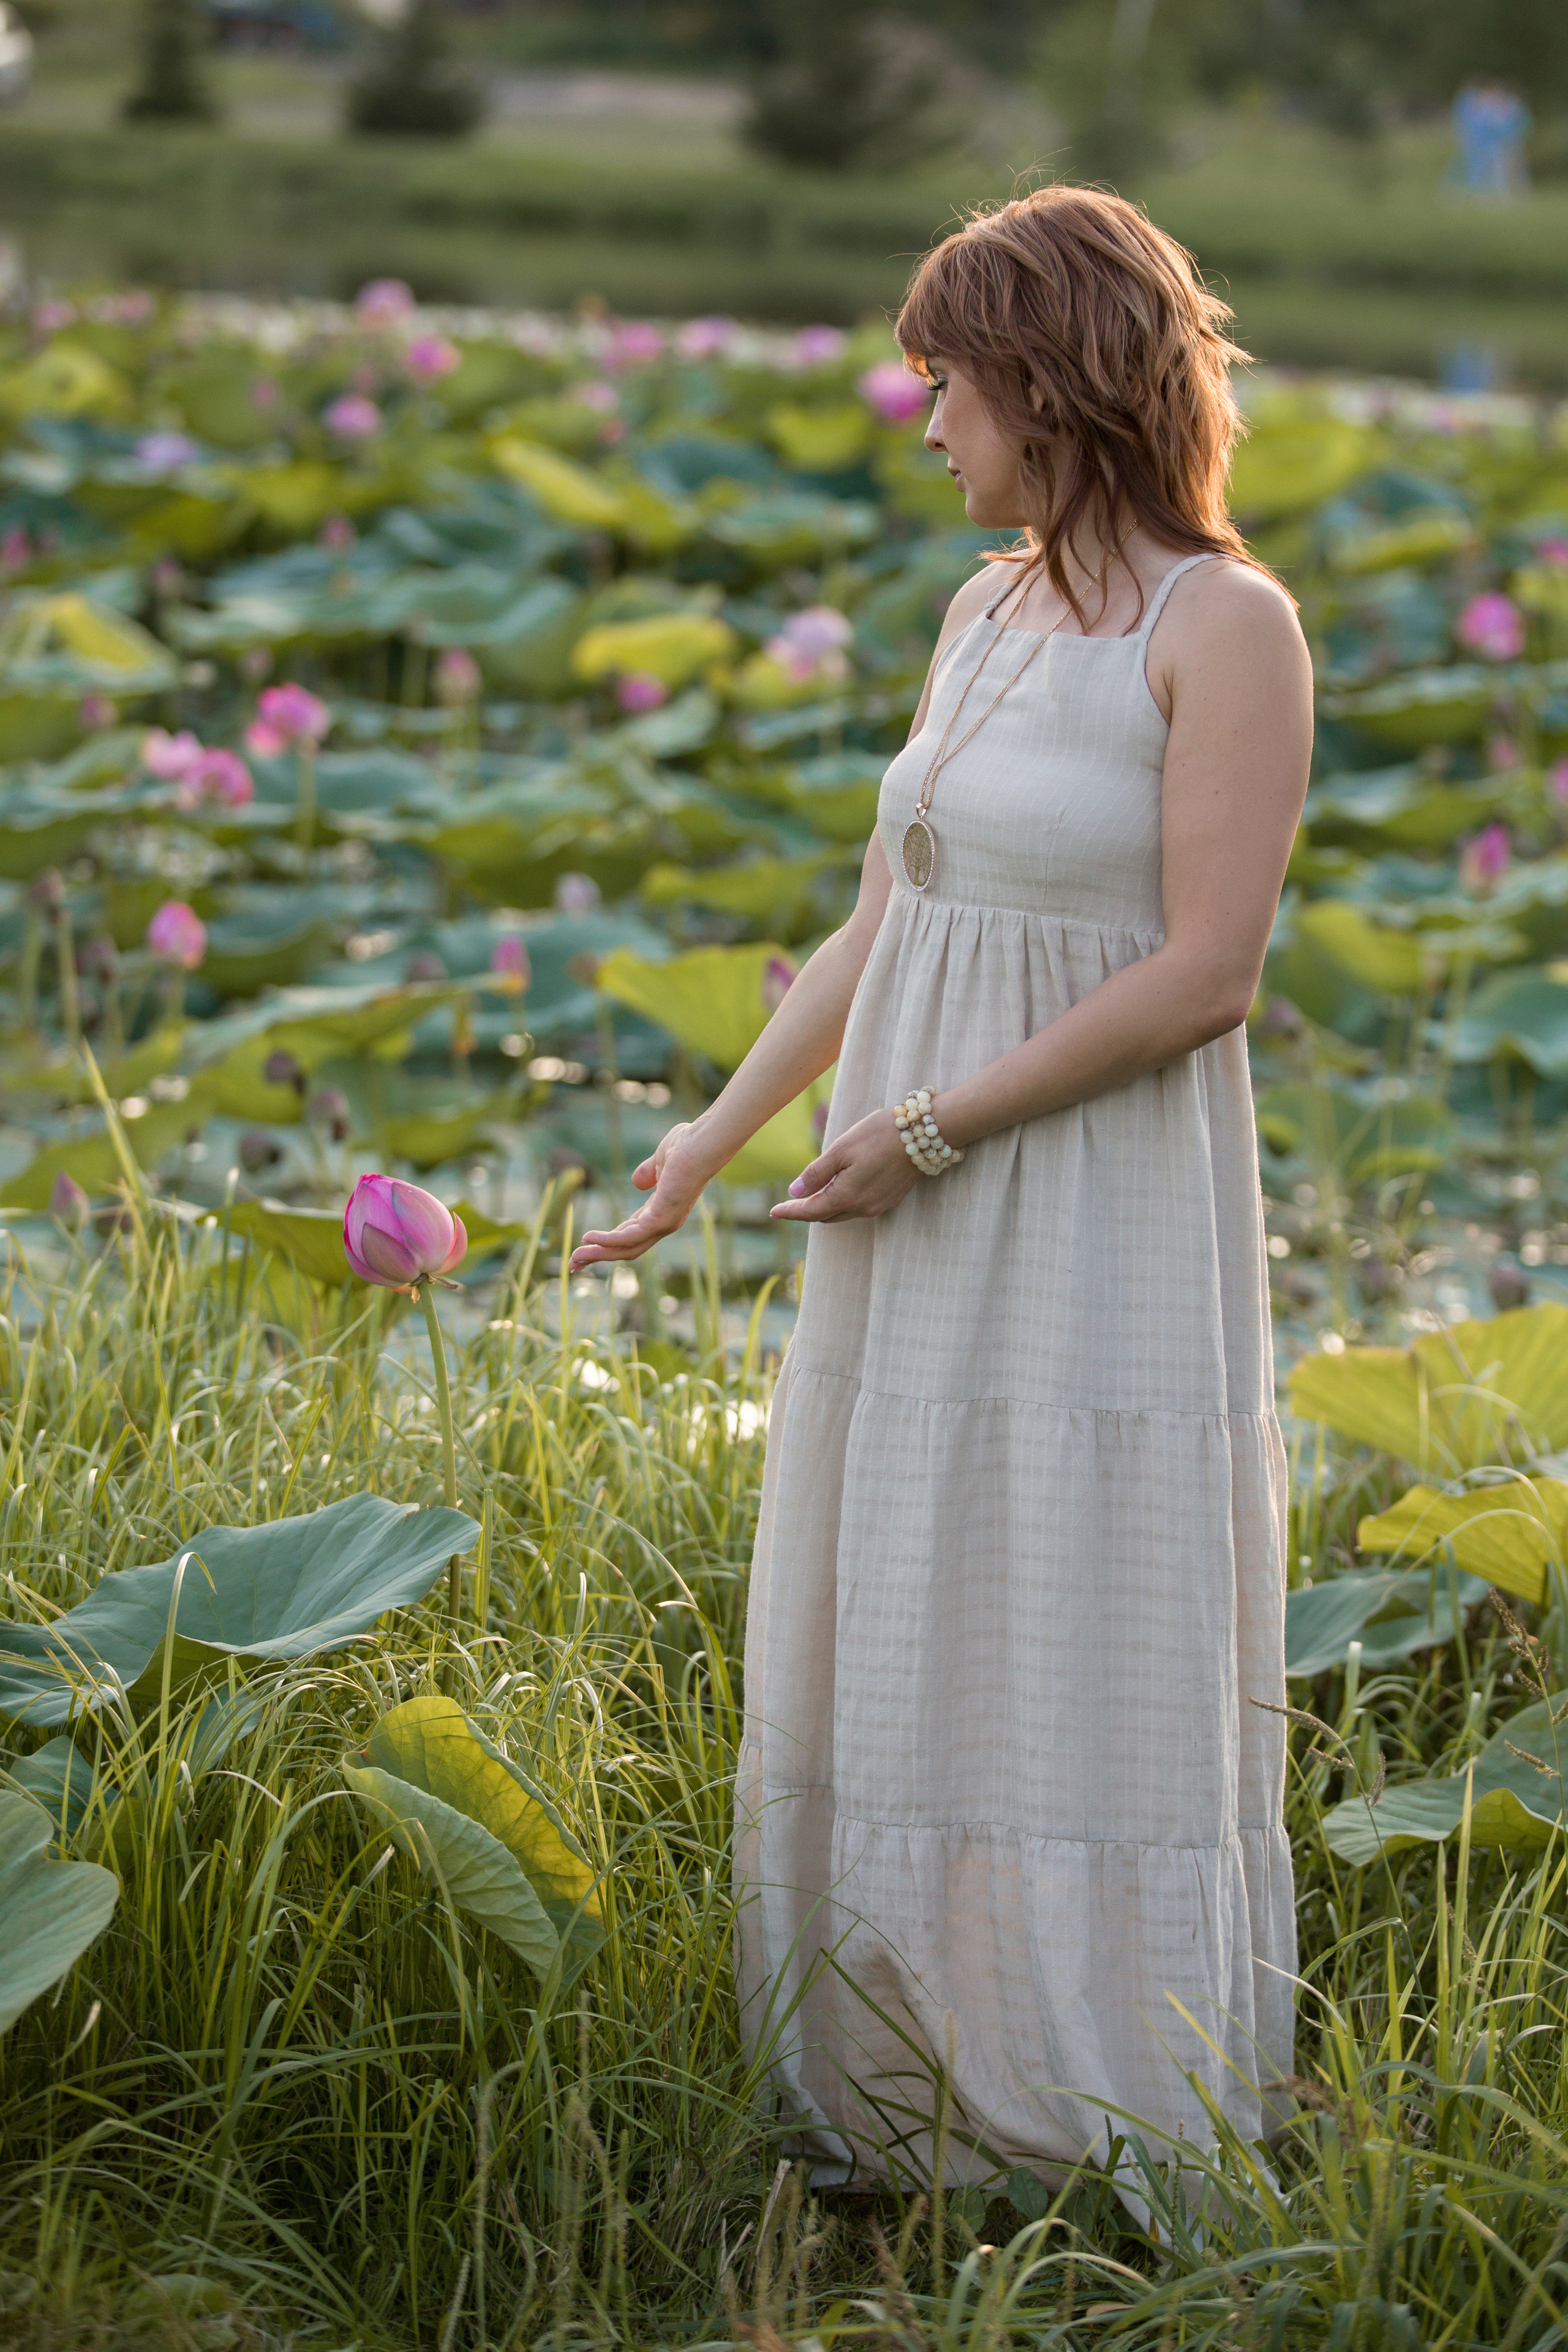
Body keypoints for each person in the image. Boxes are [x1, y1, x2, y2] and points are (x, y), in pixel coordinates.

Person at [568, 186, 1312, 2215]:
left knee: (1076, 1595)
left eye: (949, 382)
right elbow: (893, 910)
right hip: (920, 1176)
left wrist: (940, 1128)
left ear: (1051, 386)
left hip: (1085, 1197)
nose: (928, 428)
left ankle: (1096, 2105)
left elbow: (1206, 972)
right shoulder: (984, 614)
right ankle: (895, 2093)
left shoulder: (1220, 626)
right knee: (916, 1586)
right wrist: (712, 1136)